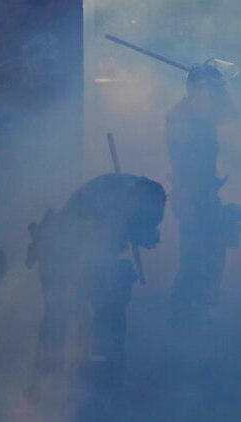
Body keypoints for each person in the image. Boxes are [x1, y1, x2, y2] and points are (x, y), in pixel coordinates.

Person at [26, 173, 165, 400]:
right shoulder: (109, 204)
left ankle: (97, 378)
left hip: (77, 252)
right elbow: (94, 250)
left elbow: (122, 231)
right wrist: (136, 236)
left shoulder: (135, 194)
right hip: (60, 252)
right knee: (62, 315)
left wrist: (138, 231)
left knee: (100, 305)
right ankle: (44, 383)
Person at [167, 63, 241, 330]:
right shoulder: (184, 116)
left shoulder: (201, 114)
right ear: (199, 90)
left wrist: (216, 86)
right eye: (213, 90)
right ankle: (186, 321)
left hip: (202, 196)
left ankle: (197, 315)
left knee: (209, 256)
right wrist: (208, 85)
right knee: (197, 260)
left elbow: (231, 113)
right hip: (193, 199)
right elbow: (188, 163)